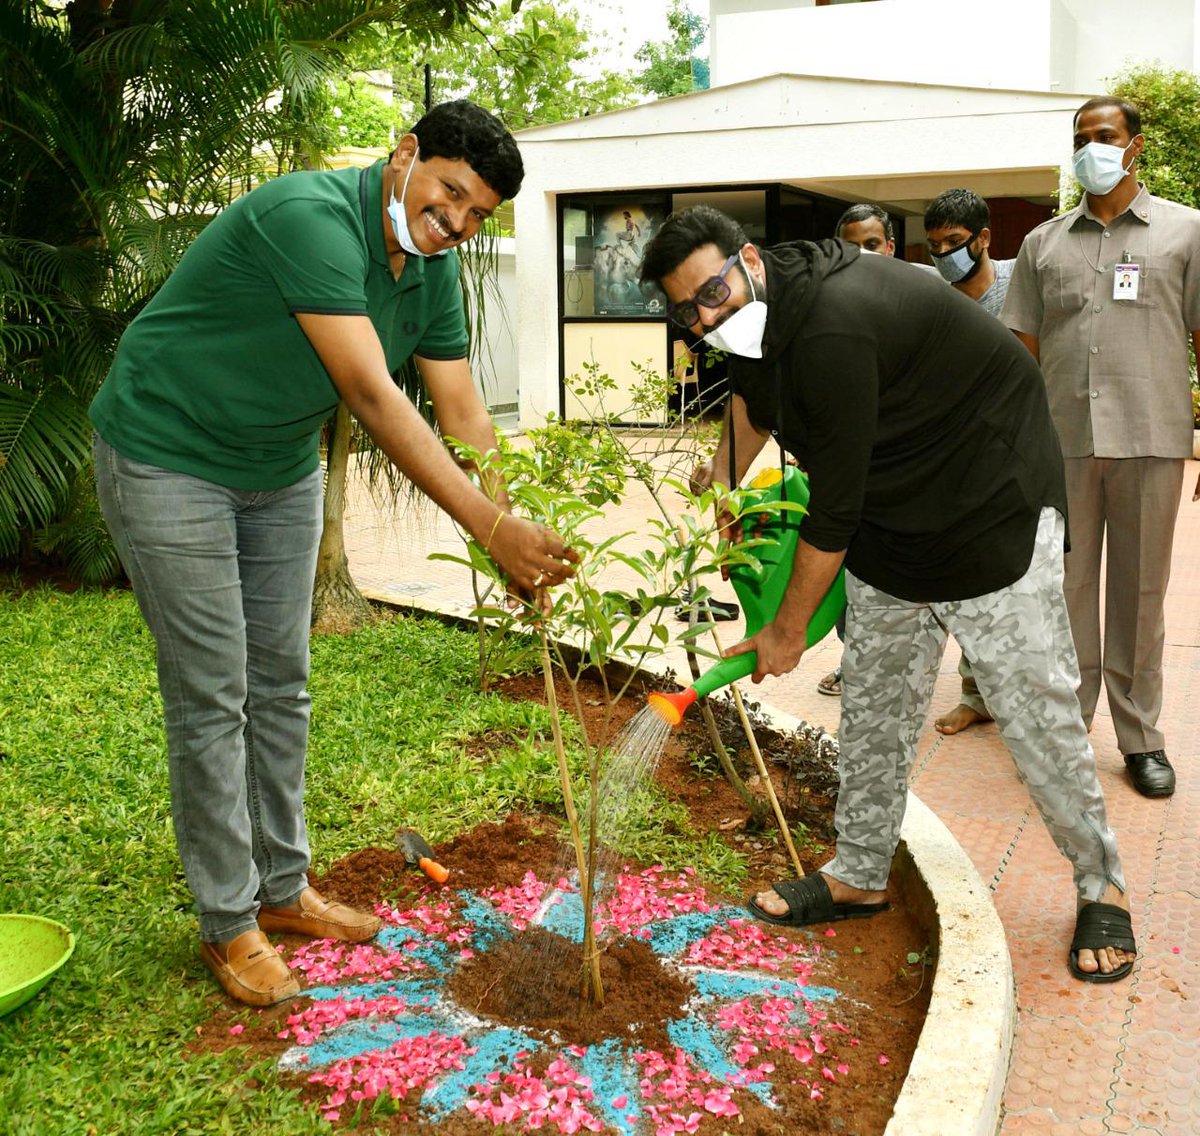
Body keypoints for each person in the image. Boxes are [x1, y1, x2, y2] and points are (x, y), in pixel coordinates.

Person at [90, 100, 578, 1007]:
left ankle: (283, 891)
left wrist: (519, 534)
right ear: (405, 153)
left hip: (276, 467)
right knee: (213, 692)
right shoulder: (308, 218)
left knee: (281, 681)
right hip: (166, 453)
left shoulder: (428, 268)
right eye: (450, 194)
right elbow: (372, 394)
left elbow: (466, 418)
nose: (456, 224)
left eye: (477, 217)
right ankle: (227, 923)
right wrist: (489, 529)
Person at [640, 204, 1136, 983]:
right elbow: (749, 404)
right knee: (873, 710)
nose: (705, 316)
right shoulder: (755, 321)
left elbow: (833, 510)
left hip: (988, 508)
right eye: (685, 308)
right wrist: (724, 498)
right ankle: (859, 874)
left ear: (750, 260)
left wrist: (785, 632)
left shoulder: (834, 322)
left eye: (712, 292)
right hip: (894, 517)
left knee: (1036, 715)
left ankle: (1099, 881)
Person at [1002, 96, 1200, 799]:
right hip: (1063, 447)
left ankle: (1142, 739)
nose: (1094, 148)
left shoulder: (1186, 232)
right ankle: (1067, 730)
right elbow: (1020, 350)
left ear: (1135, 146)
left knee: (1142, 597)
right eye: (1082, 137)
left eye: (1106, 136)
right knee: (1064, 596)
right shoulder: (1043, 244)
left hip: (1152, 439)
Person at [814, 204, 937, 697]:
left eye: (871, 244)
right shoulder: (829, 308)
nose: (861, 255)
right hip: (855, 469)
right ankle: (855, 660)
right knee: (852, 571)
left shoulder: (923, 298)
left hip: (913, 467)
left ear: (889, 247)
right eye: (850, 246)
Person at [923, 188, 1017, 734]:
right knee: (968, 585)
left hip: (1013, 456)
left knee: (1018, 590)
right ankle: (977, 695)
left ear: (983, 238)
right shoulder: (934, 292)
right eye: (936, 246)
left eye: (955, 243)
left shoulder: (1018, 285)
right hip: (954, 461)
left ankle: (1022, 699)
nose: (945, 256)